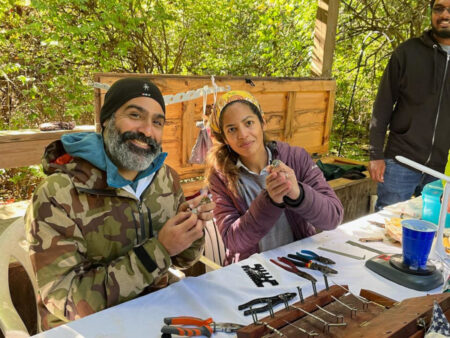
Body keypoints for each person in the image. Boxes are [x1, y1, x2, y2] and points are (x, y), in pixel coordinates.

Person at [25, 77, 215, 330]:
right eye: (135, 115)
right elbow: (68, 300)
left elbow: (184, 261)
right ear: (106, 120)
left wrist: (191, 228)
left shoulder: (166, 178)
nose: (147, 131)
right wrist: (158, 250)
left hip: (157, 316)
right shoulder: (58, 194)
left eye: (157, 122)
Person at [205, 90, 343, 264]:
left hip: (300, 263)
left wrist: (298, 194)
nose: (243, 134)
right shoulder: (220, 176)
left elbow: (333, 218)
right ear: (224, 138)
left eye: (249, 123)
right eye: (232, 129)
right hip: (253, 272)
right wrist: (270, 201)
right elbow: (233, 241)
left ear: (262, 122)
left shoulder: (296, 158)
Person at [369, 0, 450, 211]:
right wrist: (375, 154)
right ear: (431, 13)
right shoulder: (407, 52)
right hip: (400, 162)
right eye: (439, 8)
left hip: (439, 170)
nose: (444, 14)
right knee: (386, 225)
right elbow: (383, 104)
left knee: (430, 230)